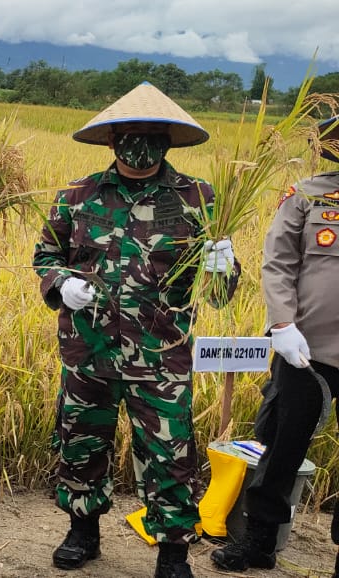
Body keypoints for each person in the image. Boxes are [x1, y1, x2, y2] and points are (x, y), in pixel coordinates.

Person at [32, 82, 240, 578]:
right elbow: (44, 256)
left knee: (170, 456)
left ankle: (172, 555)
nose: (140, 143)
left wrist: (224, 267)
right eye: (130, 134)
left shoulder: (198, 200)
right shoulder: (77, 196)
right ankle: (82, 531)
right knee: (82, 443)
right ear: (111, 139)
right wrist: (61, 285)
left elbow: (219, 292)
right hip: (89, 351)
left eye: (152, 134)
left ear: (168, 140)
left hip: (161, 359)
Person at [210, 116, 339, 576]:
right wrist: (282, 323)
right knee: (282, 446)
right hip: (307, 350)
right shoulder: (308, 194)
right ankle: (259, 543)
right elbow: (279, 262)